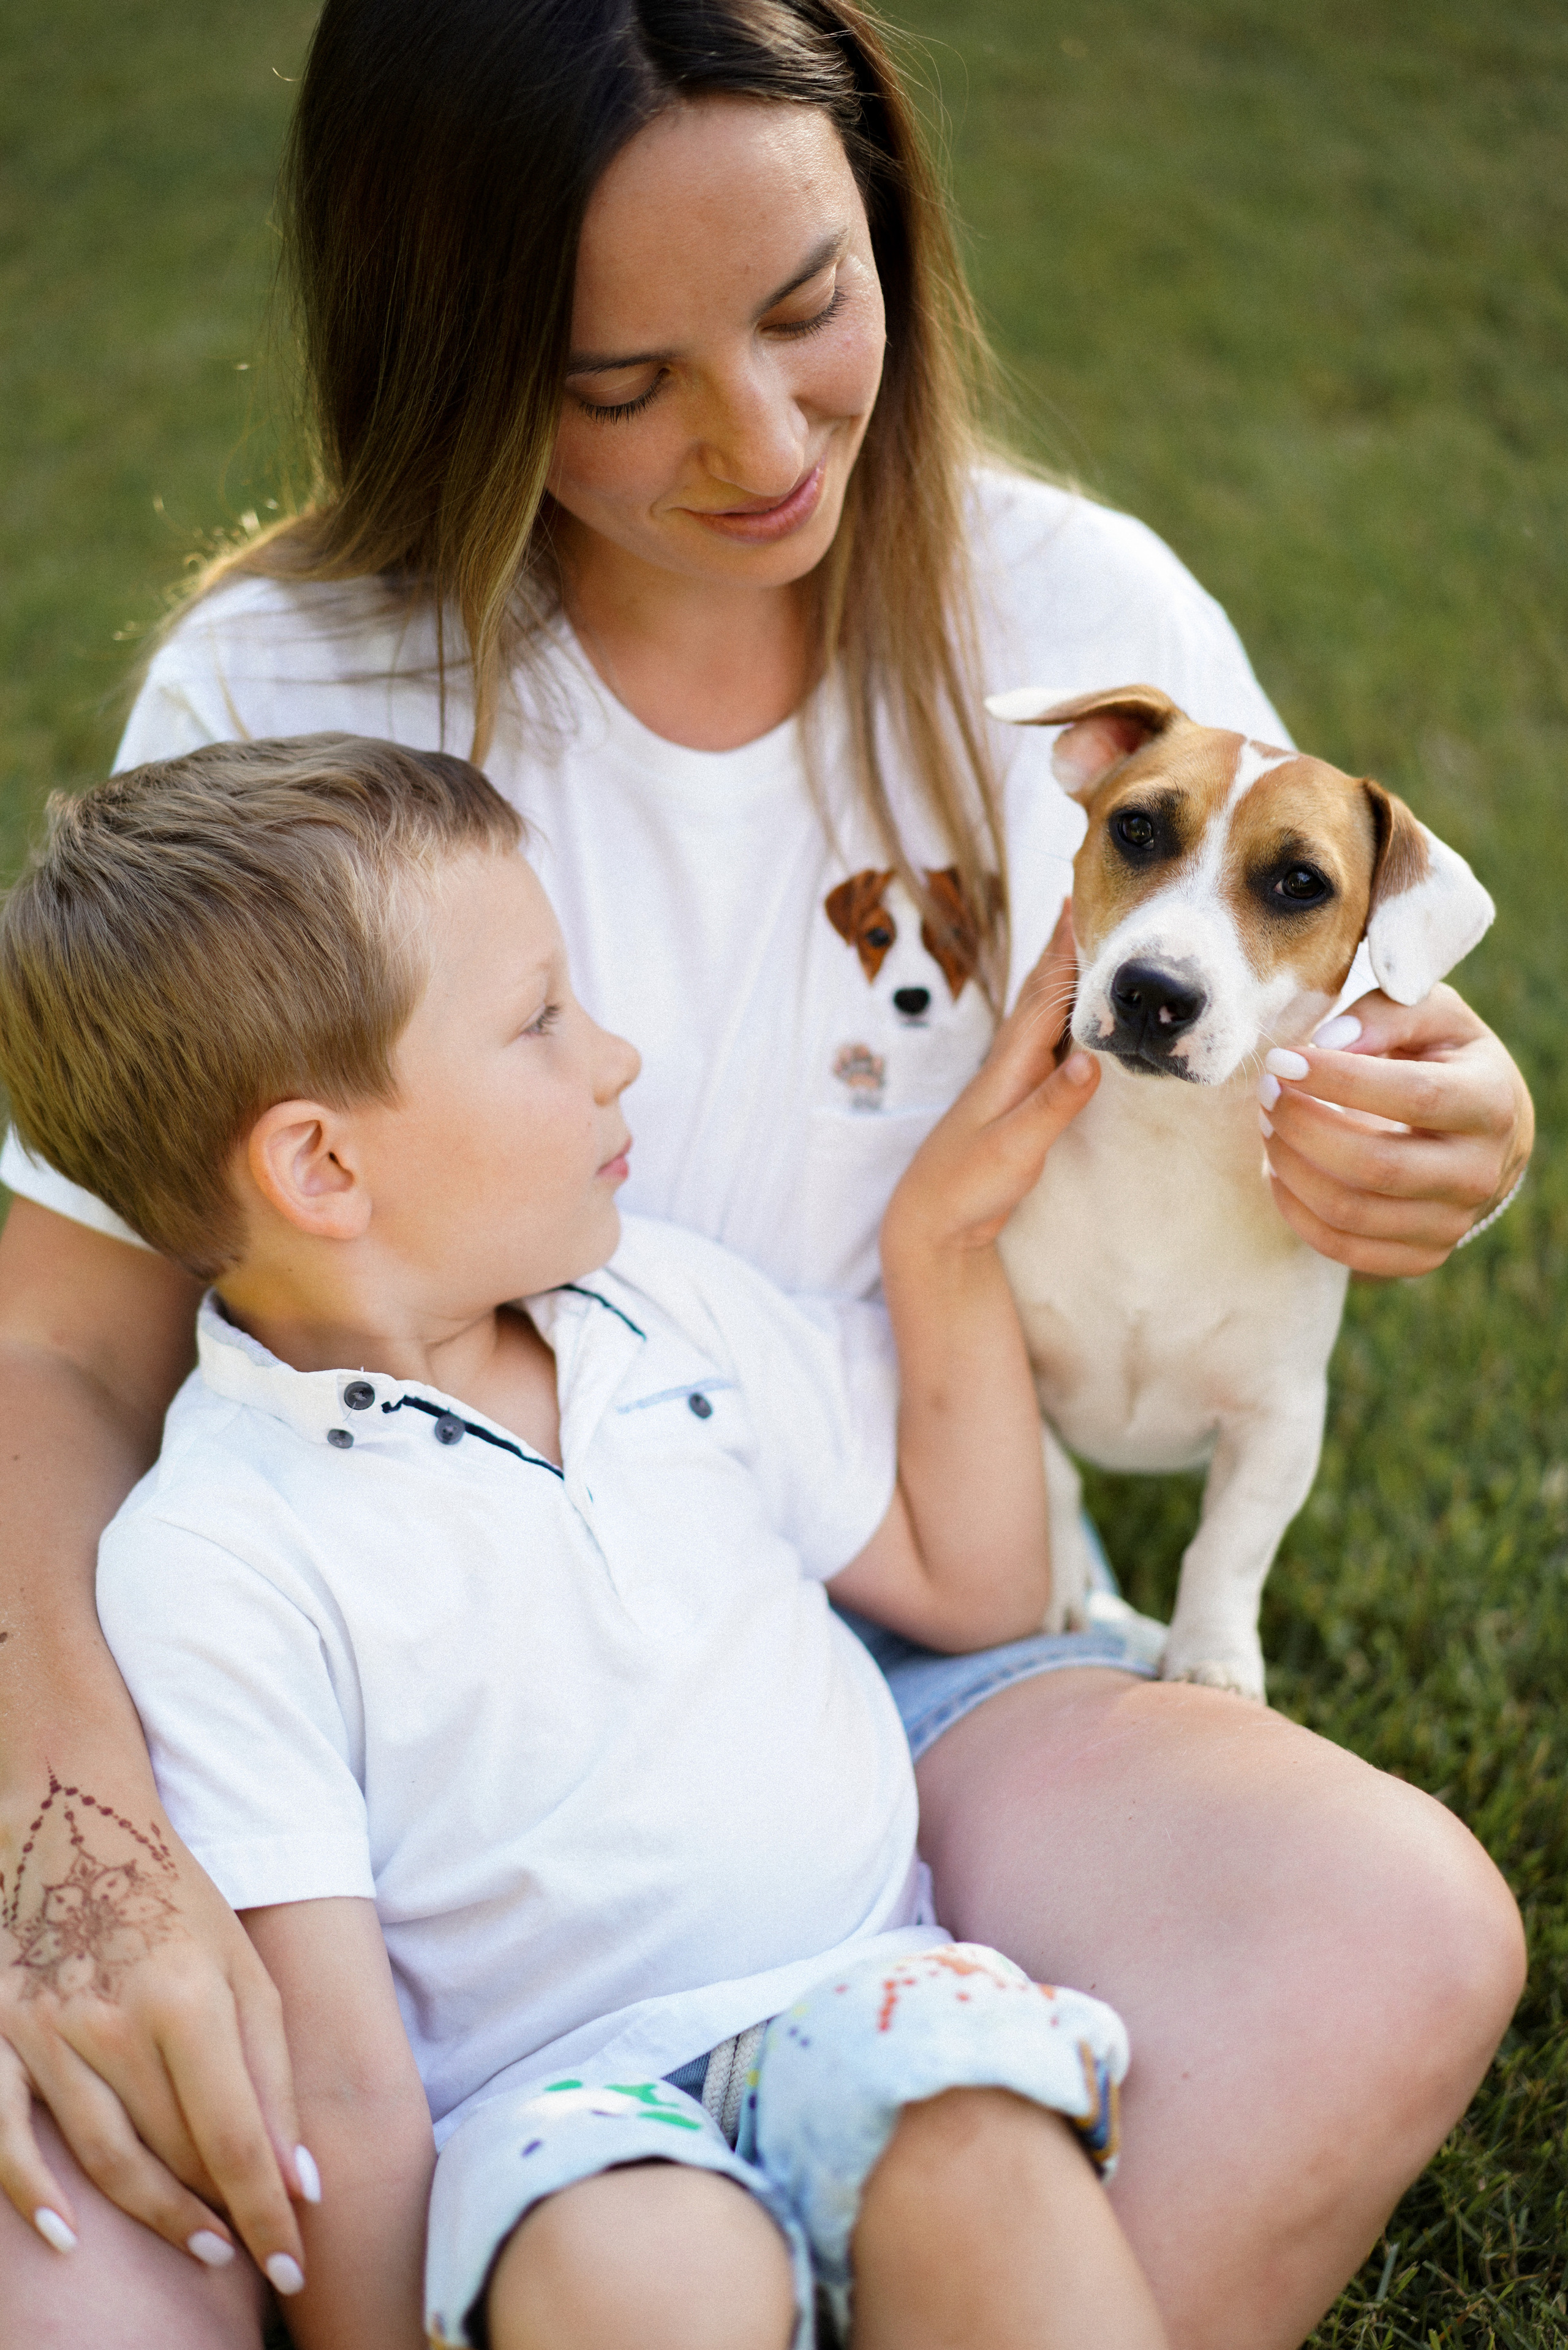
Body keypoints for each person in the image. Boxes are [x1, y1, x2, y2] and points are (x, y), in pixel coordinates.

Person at [0, 5, 1529, 2346]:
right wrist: (86, 1852)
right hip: (380, 1713)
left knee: (1389, 1927)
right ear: (454, 352)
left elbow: (1296, 966)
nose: (759, 436)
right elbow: (56, 1351)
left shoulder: (1076, 629)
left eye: (813, 305)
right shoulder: (288, 689)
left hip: (895, 1652)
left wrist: (1464, 1127)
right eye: (619, 381)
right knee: (74, 2278)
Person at [0, 731, 1162, 2350]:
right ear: (323, 1165)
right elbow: (338, 2067)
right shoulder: (215, 1553)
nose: (612, 1056)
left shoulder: (662, 1304)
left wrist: (940, 1238)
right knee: (640, 2285)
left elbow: (970, 1580)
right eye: (540, 1019)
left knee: (988, 2161)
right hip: (563, 2119)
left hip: (866, 1988)